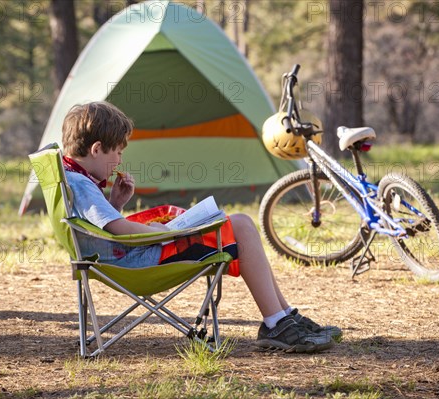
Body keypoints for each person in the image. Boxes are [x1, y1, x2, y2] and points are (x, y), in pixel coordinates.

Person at [61, 101, 341, 353]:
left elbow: (103, 230)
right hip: (140, 261)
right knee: (241, 225)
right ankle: (277, 322)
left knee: (239, 224)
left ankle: (284, 316)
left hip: (129, 258)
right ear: (97, 149)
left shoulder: (73, 177)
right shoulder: (82, 184)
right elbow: (121, 231)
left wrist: (116, 203)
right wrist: (169, 232)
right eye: (118, 152)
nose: (120, 161)